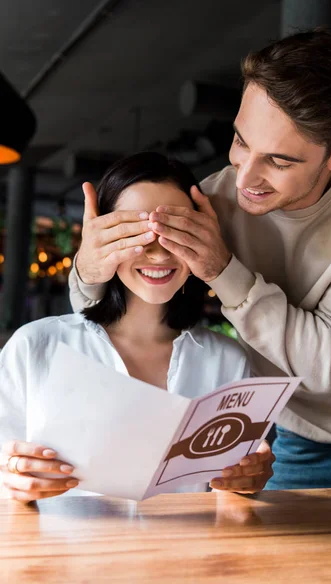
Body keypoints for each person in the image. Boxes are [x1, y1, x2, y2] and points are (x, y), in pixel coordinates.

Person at [69, 29, 331, 489]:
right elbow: (103, 296)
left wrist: (223, 271)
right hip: (288, 437)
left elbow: (328, 368)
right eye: (241, 141)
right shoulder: (214, 199)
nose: (244, 178)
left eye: (279, 162)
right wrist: (90, 265)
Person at [0, 153, 275, 503]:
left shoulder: (227, 360)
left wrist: (246, 482)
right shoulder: (35, 347)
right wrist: (12, 481)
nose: (159, 254)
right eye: (135, 233)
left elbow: (228, 502)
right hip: (60, 553)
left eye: (176, 232)